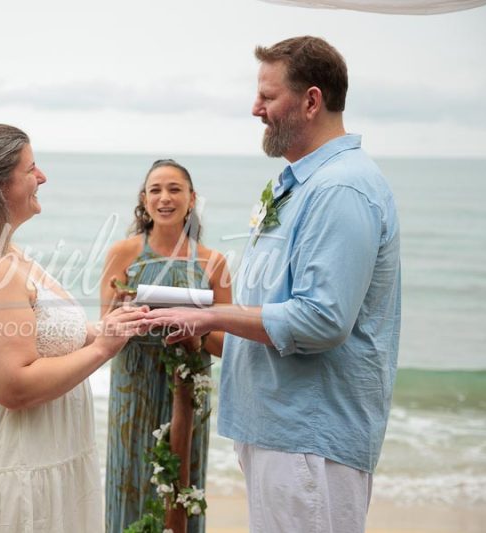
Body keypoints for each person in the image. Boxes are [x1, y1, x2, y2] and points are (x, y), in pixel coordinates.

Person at [142, 37, 401, 533]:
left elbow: (322, 320)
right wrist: (203, 323)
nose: (255, 108)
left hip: (308, 437)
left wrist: (210, 314)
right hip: (280, 429)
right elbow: (275, 304)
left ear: (311, 101)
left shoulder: (340, 188)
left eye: (268, 96)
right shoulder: (305, 183)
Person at [0, 124, 147, 533]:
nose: (42, 177)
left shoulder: (7, 253)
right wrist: (103, 349)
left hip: (42, 452)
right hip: (12, 461)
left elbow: (42, 335)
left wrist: (110, 327)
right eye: (30, 169)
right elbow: (13, 386)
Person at [100, 159, 231, 532]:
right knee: (129, 479)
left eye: (175, 189)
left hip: (187, 389)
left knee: (179, 487)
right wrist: (125, 314)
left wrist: (197, 331)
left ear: (192, 199)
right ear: (144, 200)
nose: (165, 198)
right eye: (155, 190)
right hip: (133, 387)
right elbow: (105, 329)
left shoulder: (213, 262)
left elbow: (225, 343)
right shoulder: (123, 253)